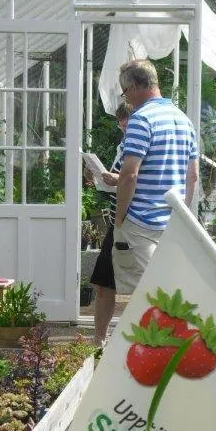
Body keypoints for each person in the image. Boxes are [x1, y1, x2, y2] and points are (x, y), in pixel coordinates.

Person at [113, 59, 199, 293]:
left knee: (146, 296)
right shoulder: (184, 120)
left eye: (124, 93)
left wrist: (120, 218)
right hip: (171, 222)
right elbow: (193, 176)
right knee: (169, 291)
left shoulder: (141, 120)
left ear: (133, 88)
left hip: (141, 222)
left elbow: (129, 175)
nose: (126, 99)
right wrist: (182, 214)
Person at [89, 101, 133, 346]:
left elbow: (136, 178)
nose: (122, 124)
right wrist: (103, 179)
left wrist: (118, 179)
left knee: (138, 282)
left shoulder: (141, 142)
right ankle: (99, 340)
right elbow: (121, 179)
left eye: (125, 119)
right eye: (120, 121)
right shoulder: (123, 145)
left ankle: (133, 340)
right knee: (104, 280)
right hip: (118, 219)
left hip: (134, 220)